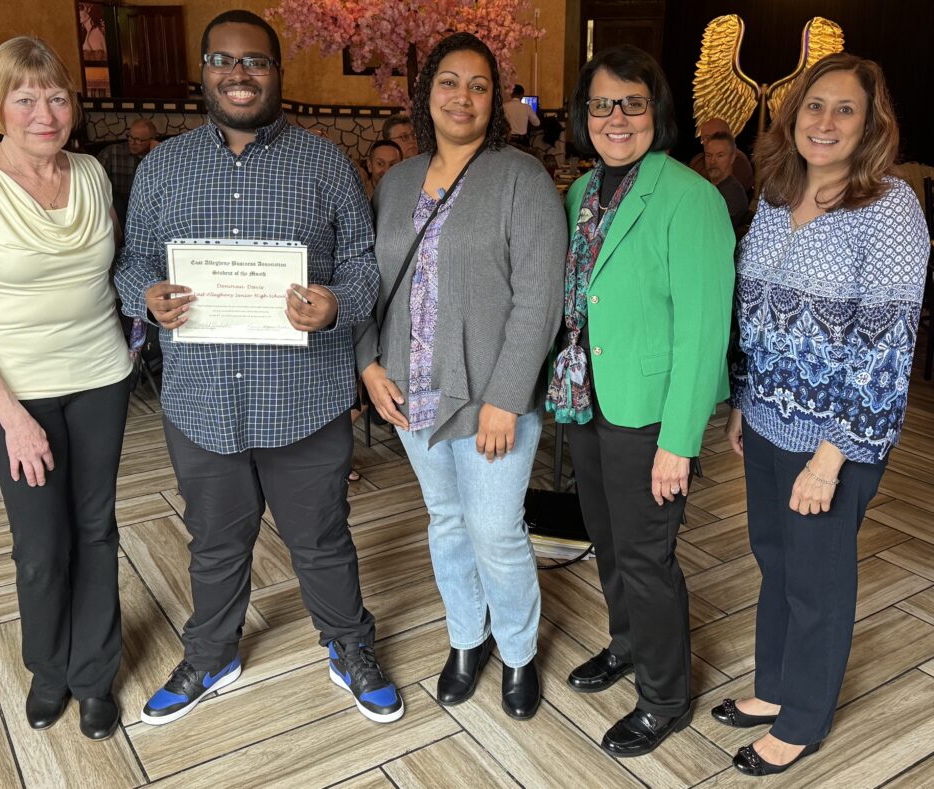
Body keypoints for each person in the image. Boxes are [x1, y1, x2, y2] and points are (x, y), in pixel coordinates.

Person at [115, 10, 403, 726]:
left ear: (278, 73)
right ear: (203, 73)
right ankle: (211, 652)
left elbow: (363, 266)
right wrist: (146, 297)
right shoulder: (162, 167)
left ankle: (349, 645)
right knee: (214, 542)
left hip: (302, 397)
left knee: (322, 538)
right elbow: (132, 263)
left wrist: (334, 304)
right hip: (201, 400)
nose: (239, 74)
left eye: (255, 62)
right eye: (222, 60)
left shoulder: (327, 162)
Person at [720, 53, 929, 777]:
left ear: (872, 124)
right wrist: (745, 402)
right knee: (775, 562)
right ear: (793, 115)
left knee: (818, 579)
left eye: (846, 109)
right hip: (769, 421)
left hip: (834, 441)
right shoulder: (777, 194)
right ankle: (774, 687)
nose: (827, 121)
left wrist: (831, 454)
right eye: (815, 106)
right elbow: (755, 316)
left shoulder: (891, 208)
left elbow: (885, 351)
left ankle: (803, 717)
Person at [357, 32, 566, 721]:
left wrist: (507, 398)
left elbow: (540, 297)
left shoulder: (522, 179)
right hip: (409, 389)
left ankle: (517, 651)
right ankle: (465, 640)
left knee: (496, 528)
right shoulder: (396, 179)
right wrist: (369, 362)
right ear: (427, 95)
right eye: (450, 82)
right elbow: (368, 282)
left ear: (495, 100)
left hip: (489, 397)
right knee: (447, 521)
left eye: (480, 86)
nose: (464, 97)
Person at [0, 37, 132, 741]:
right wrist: (12, 417)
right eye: (25, 97)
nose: (44, 112)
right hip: (11, 391)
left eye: (55, 96)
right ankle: (48, 670)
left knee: (96, 528)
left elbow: (107, 274)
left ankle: (94, 673)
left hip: (101, 377)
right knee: (42, 542)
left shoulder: (93, 176)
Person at [548, 44, 734, 756]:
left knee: (648, 558)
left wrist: (679, 441)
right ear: (583, 115)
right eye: (602, 104)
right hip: (591, 403)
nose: (616, 117)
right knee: (611, 542)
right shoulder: (582, 191)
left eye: (632, 102)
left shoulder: (691, 197)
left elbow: (703, 331)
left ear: (656, 111)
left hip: (652, 413)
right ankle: (626, 644)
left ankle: (665, 696)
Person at [97, 117, 158, 223]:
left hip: (145, 207)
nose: (133, 142)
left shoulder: (157, 155)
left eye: (139, 140)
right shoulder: (112, 152)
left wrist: (158, 153)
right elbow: (94, 180)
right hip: (115, 206)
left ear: (151, 140)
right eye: (130, 137)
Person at [689, 117, 754, 193]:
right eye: (703, 138)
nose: (705, 142)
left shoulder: (738, 161)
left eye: (709, 137)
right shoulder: (697, 160)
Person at [704, 132, 749, 228]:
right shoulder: (705, 186)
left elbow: (716, 230)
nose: (712, 161)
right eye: (708, 155)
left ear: (732, 158)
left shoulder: (734, 193)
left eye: (720, 155)